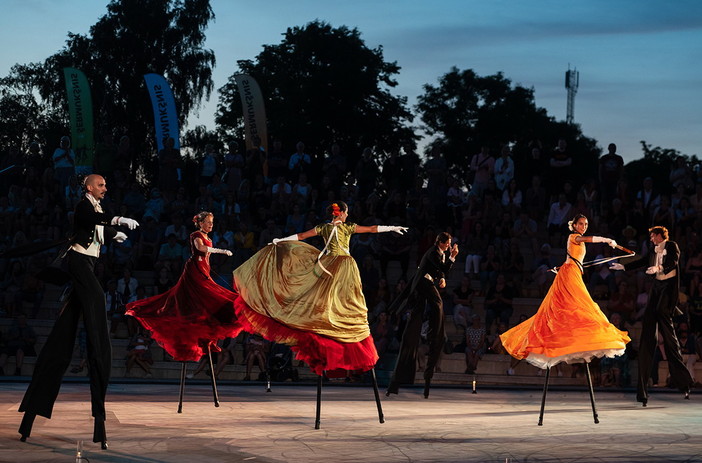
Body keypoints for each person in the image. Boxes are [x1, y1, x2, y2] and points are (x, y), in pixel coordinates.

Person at [18, 174, 139, 449]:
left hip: (88, 264)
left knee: (62, 337)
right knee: (98, 316)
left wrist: (111, 231)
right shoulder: (83, 205)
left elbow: (98, 226)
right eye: (100, 185)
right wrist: (117, 222)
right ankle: (99, 381)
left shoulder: (97, 208)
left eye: (106, 185)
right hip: (78, 263)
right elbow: (88, 221)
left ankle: (28, 423)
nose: (105, 188)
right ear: (88, 187)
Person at [232, 201, 407, 376]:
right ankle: (334, 323)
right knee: (345, 299)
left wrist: (282, 240)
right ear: (342, 213)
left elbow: (300, 236)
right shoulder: (346, 227)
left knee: (331, 297)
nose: (347, 215)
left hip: (330, 264)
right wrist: (391, 227)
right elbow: (371, 229)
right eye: (346, 213)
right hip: (343, 265)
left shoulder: (325, 227)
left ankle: (332, 320)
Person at [500, 214, 630, 379]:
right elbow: (588, 240)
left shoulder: (576, 239)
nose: (584, 226)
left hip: (571, 271)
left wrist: (560, 267)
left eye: (586, 224)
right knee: (583, 305)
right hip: (570, 274)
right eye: (581, 224)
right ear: (574, 225)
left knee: (575, 307)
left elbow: (571, 258)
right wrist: (605, 239)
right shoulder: (574, 236)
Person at [126, 212, 241, 363]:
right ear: (200, 223)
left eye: (212, 222)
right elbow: (201, 249)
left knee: (206, 300)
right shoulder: (195, 235)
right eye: (208, 222)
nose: (211, 225)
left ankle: (207, 334)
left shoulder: (209, 237)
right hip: (194, 269)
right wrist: (222, 251)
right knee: (209, 295)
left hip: (204, 269)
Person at [610, 226, 693, 406]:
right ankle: (642, 392)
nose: (651, 239)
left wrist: (658, 267)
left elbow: (673, 262)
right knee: (648, 338)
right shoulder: (653, 249)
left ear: (660, 235)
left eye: (653, 236)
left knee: (670, 340)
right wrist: (624, 267)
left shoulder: (671, 246)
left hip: (667, 292)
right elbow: (641, 262)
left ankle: (684, 382)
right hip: (656, 290)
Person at [386, 231, 459, 398]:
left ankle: (438, 334)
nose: (449, 246)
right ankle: (439, 331)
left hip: (425, 284)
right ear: (440, 242)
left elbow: (440, 271)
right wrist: (453, 257)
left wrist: (442, 278)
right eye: (447, 243)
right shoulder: (433, 252)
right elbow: (442, 268)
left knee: (423, 314)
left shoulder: (440, 254)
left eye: (449, 244)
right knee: (438, 303)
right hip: (421, 285)